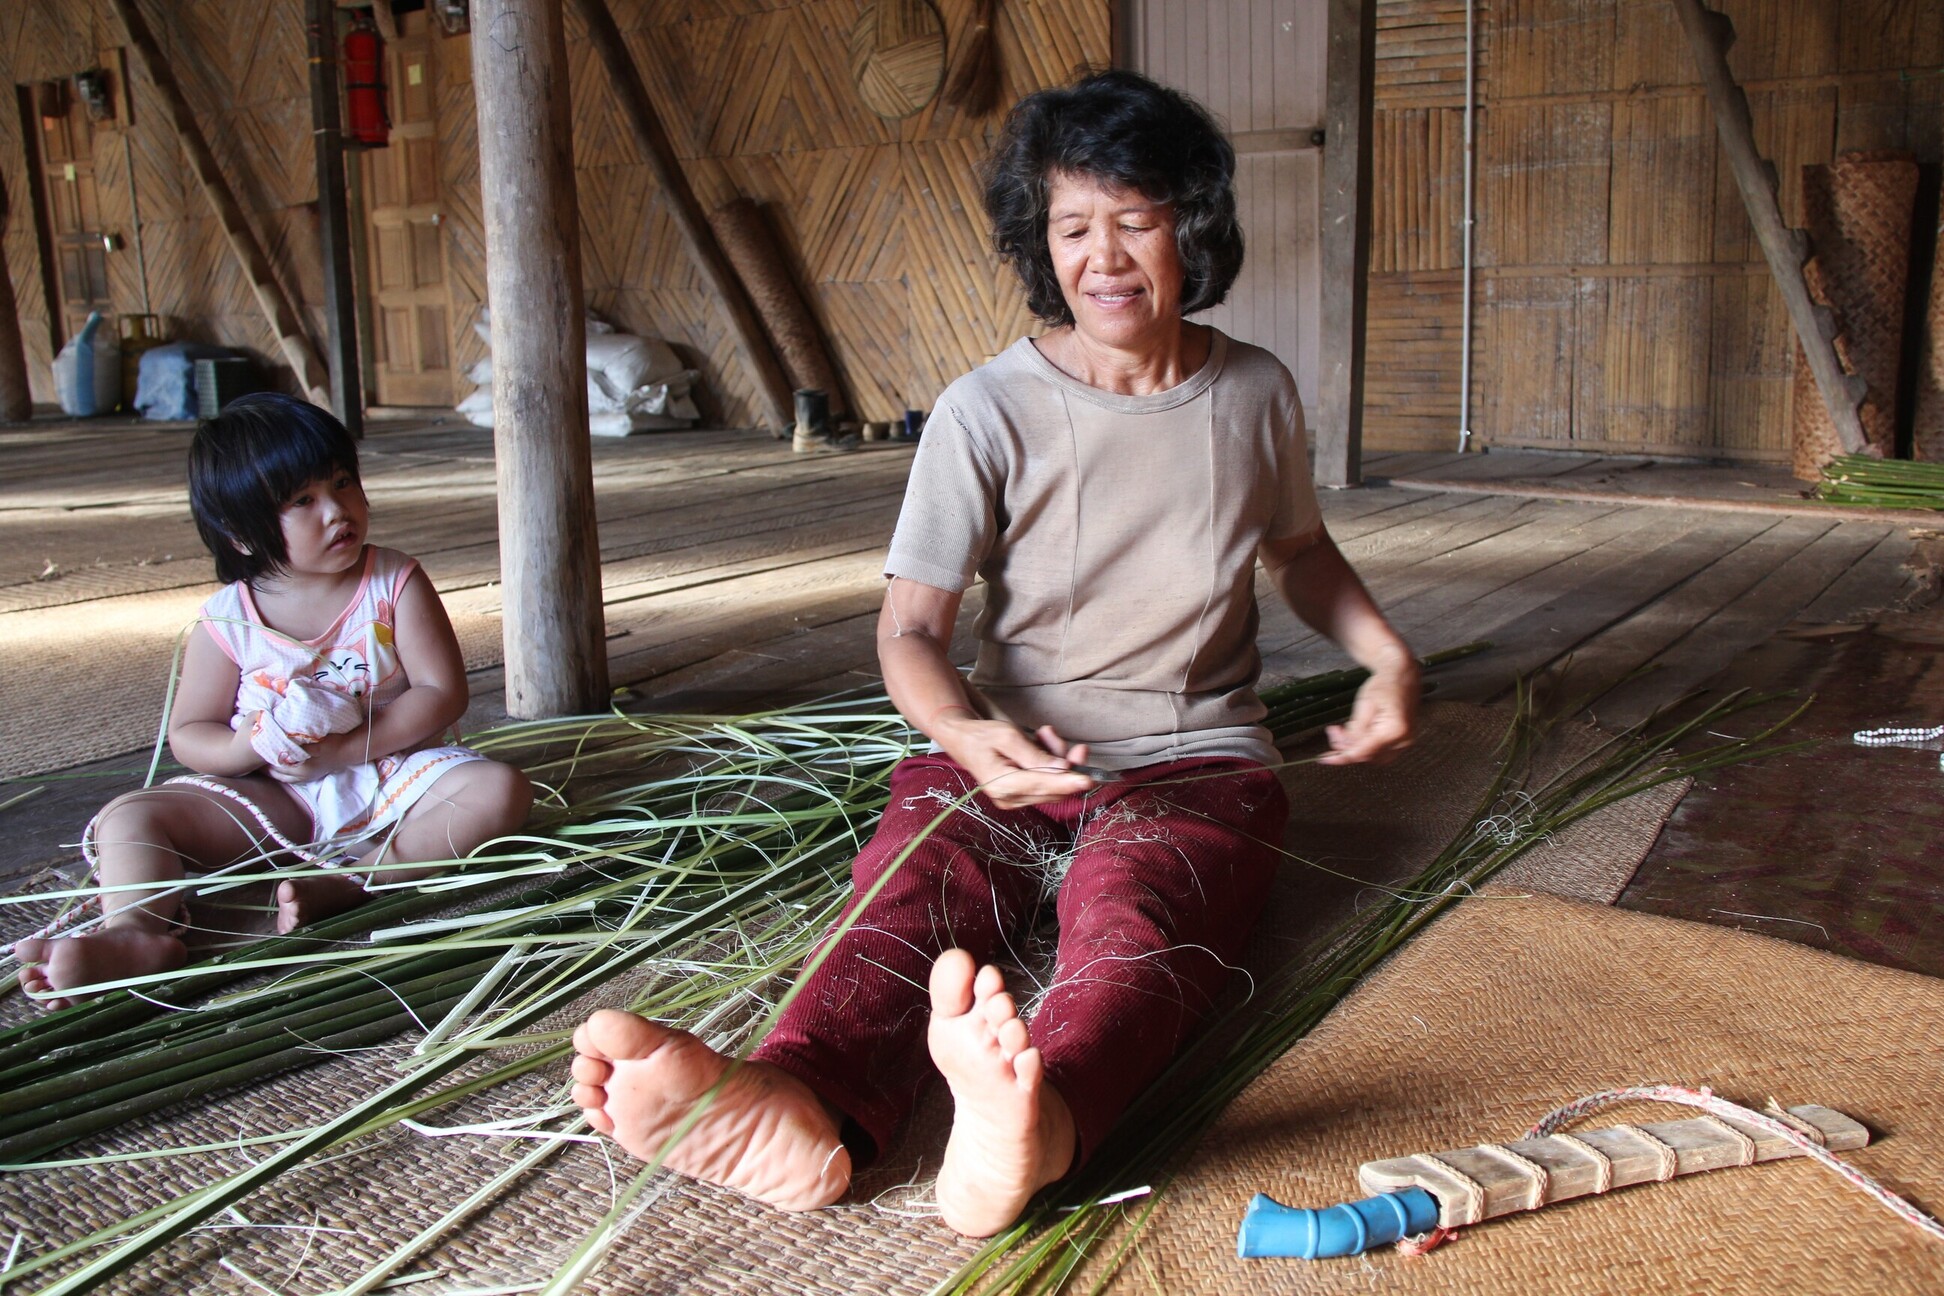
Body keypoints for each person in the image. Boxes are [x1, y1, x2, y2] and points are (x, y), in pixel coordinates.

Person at [569, 70, 1418, 1237]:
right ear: (1042, 244)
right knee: (909, 898)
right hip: (1003, 749)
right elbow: (910, 632)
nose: (1105, 256)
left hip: (1194, 761)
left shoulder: (1254, 393)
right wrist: (968, 732)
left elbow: (1303, 552)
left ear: (1195, 228)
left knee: (1142, 930)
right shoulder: (988, 408)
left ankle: (1031, 1128)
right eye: (1074, 227)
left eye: (1137, 218)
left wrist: (1384, 657)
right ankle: (807, 1108)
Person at [14, 393, 532, 1008]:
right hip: (275, 793)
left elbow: (442, 694)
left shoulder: (393, 582)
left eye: (343, 483)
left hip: (393, 776)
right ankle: (135, 932)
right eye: (302, 502)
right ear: (240, 534)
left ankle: (355, 878)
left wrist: (343, 750)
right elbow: (190, 733)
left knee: (500, 791)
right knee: (132, 814)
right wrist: (246, 745)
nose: (337, 510)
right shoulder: (228, 619)